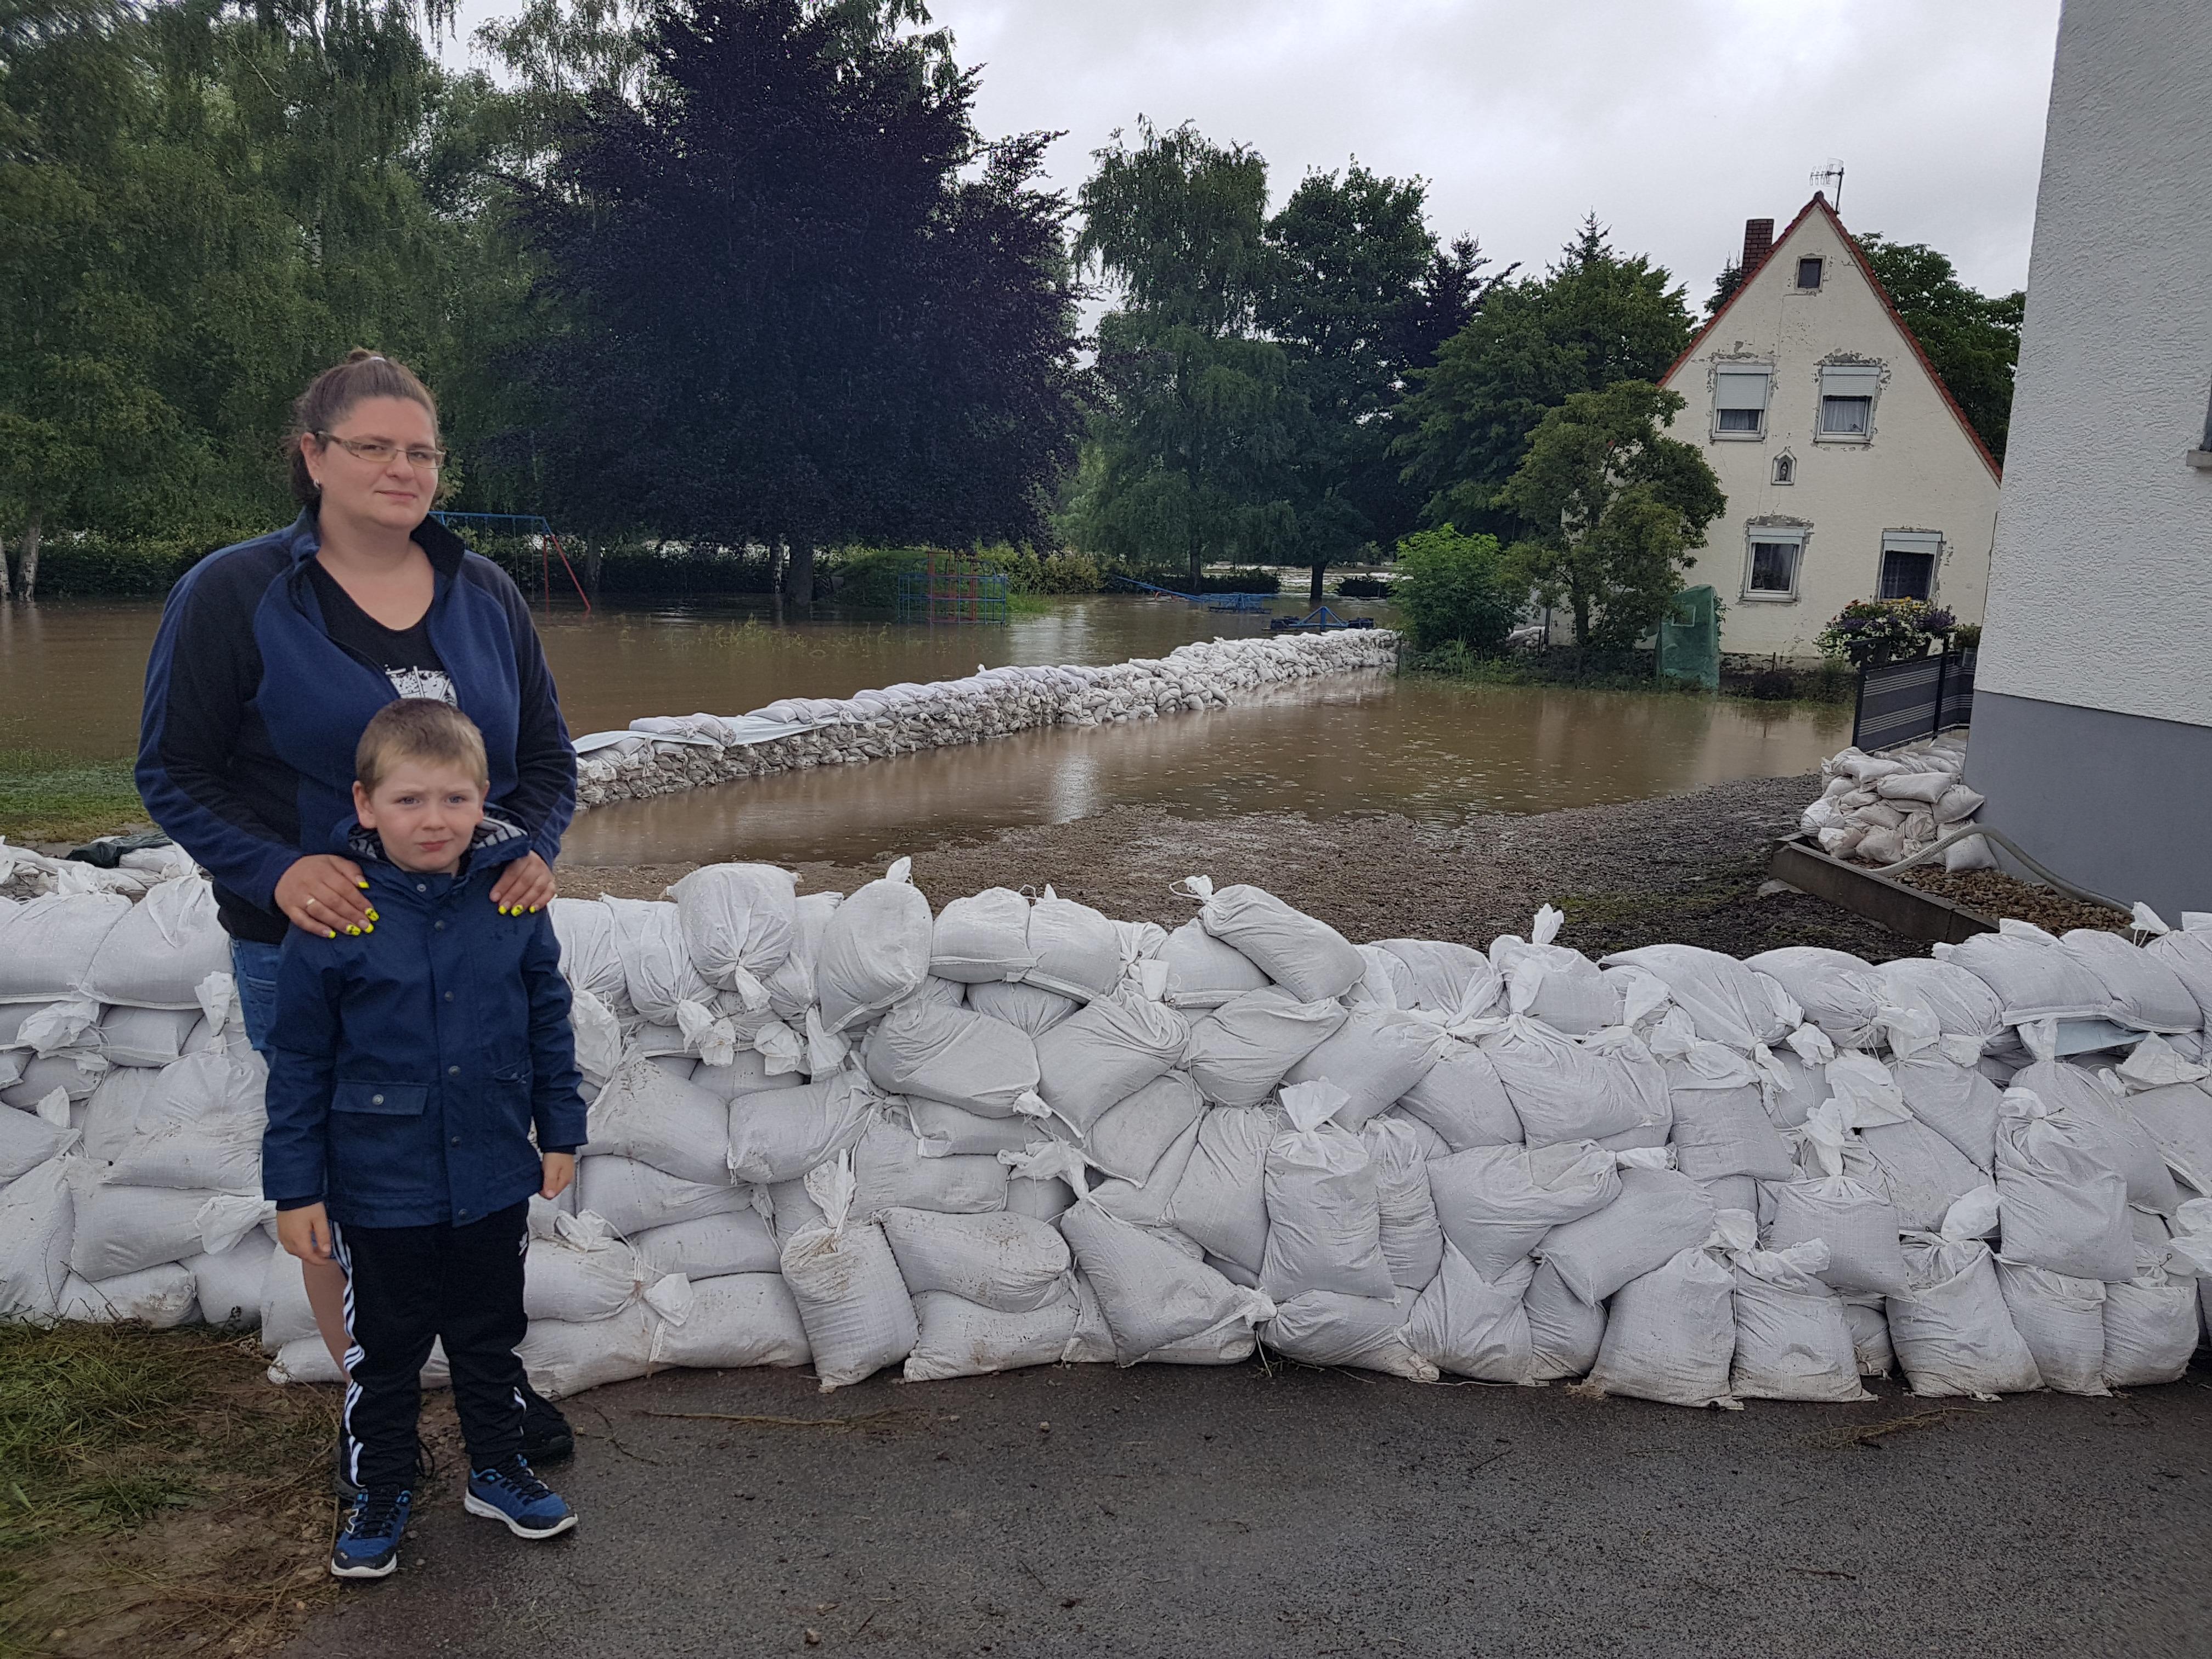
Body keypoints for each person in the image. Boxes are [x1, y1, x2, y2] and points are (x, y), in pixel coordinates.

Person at [136, 349, 578, 1481]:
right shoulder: (235, 591)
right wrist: (278, 872)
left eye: (421, 451)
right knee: (345, 1172)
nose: (402, 469)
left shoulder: (486, 594)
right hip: (314, 943)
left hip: (474, 945)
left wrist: (529, 848)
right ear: (313, 455)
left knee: (478, 1156)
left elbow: (545, 763)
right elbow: (173, 771)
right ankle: (371, 1408)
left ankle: (488, 1379)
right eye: (372, 446)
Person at [265, 699, 586, 1578]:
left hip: (492, 1169)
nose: (434, 820)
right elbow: (300, 1062)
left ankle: (498, 1470)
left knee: (490, 1336)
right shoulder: (339, 913)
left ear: (485, 801)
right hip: (381, 1183)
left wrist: (561, 1129)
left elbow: (548, 1020)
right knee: (388, 1351)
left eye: (455, 799)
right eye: (409, 800)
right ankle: (382, 1488)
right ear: (365, 804)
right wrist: (296, 1188)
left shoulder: (512, 900)